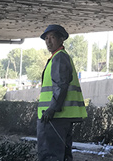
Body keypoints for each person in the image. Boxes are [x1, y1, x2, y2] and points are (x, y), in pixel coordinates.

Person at [37, 24, 87, 161]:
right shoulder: (58, 57)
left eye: (52, 37)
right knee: (63, 155)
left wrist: (52, 109)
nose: (48, 41)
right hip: (60, 118)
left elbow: (61, 85)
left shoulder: (59, 57)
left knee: (49, 154)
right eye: (46, 38)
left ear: (61, 39)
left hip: (54, 118)